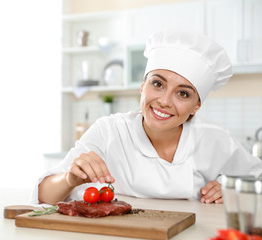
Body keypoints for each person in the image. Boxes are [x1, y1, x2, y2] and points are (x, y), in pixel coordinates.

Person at [31, 28, 262, 205]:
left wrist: (230, 189)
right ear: (143, 86)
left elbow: (257, 179)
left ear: (196, 106)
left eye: (183, 93)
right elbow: (43, 196)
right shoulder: (109, 131)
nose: (164, 101)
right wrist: (70, 180)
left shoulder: (214, 139)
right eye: (157, 83)